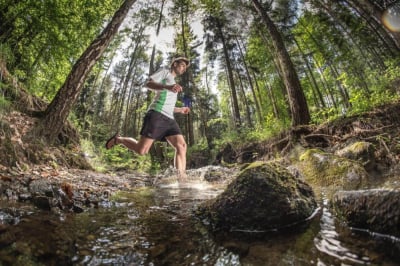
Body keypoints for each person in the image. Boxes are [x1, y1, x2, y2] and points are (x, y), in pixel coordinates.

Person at [105, 56, 191, 179]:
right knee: (142, 151)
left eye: (185, 68)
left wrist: (180, 109)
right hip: (157, 114)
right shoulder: (165, 72)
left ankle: (181, 179)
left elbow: (168, 106)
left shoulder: (175, 84)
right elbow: (148, 83)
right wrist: (167, 87)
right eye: (182, 65)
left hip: (169, 119)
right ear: (175, 64)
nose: (183, 69)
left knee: (181, 146)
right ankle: (118, 140)